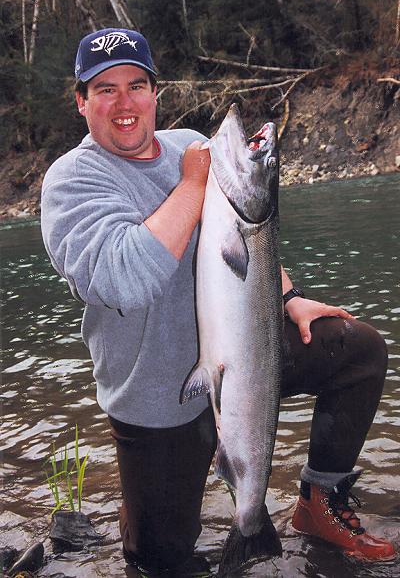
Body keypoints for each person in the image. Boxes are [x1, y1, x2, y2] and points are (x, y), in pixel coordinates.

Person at [41, 28, 396, 576]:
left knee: (359, 349)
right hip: (158, 392)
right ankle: (149, 512)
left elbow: (248, 241)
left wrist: (291, 297)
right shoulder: (73, 181)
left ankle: (319, 502)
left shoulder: (191, 147)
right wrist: (191, 185)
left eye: (137, 85)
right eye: (105, 89)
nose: (125, 102)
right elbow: (122, 280)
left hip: (249, 355)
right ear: (81, 101)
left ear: (155, 93)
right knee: (158, 562)